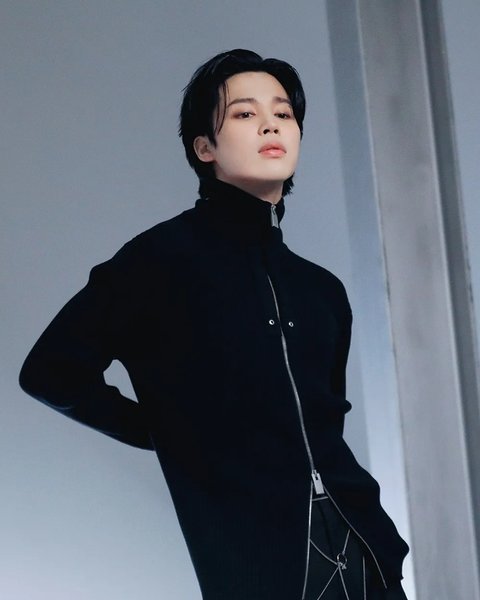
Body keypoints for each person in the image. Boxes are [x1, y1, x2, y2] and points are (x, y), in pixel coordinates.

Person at [19, 49, 410, 599]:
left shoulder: (322, 291)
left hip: (367, 554)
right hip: (258, 567)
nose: (271, 124)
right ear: (204, 147)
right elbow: (51, 372)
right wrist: (172, 432)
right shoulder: (158, 262)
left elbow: (324, 425)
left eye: (284, 113)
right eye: (245, 113)